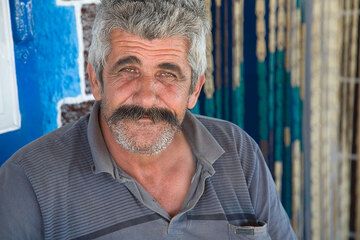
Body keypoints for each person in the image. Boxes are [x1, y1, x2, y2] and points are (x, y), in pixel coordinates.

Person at [0, 0, 296, 239]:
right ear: (96, 80)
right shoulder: (27, 182)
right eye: (128, 70)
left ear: (194, 90)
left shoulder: (237, 151)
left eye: (168, 74)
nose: (146, 97)